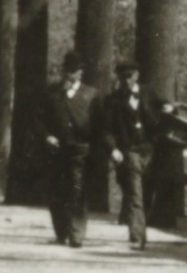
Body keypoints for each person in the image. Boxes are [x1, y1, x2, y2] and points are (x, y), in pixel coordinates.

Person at [40, 50, 102, 247]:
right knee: (56, 192)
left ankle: (76, 233)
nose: (70, 74)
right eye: (67, 69)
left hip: (81, 149)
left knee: (77, 190)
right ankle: (61, 232)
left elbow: (99, 124)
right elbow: (39, 119)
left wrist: (96, 149)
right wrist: (47, 136)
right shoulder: (51, 93)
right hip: (57, 149)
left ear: (81, 72)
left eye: (74, 70)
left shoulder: (91, 94)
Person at [104, 62, 154, 248]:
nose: (126, 80)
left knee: (146, 194)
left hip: (150, 151)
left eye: (130, 76)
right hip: (129, 151)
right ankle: (138, 237)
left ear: (137, 75)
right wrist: (113, 149)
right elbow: (107, 129)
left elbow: (164, 110)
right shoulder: (112, 101)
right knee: (135, 194)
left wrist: (168, 109)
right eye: (123, 77)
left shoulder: (149, 94)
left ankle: (138, 228)